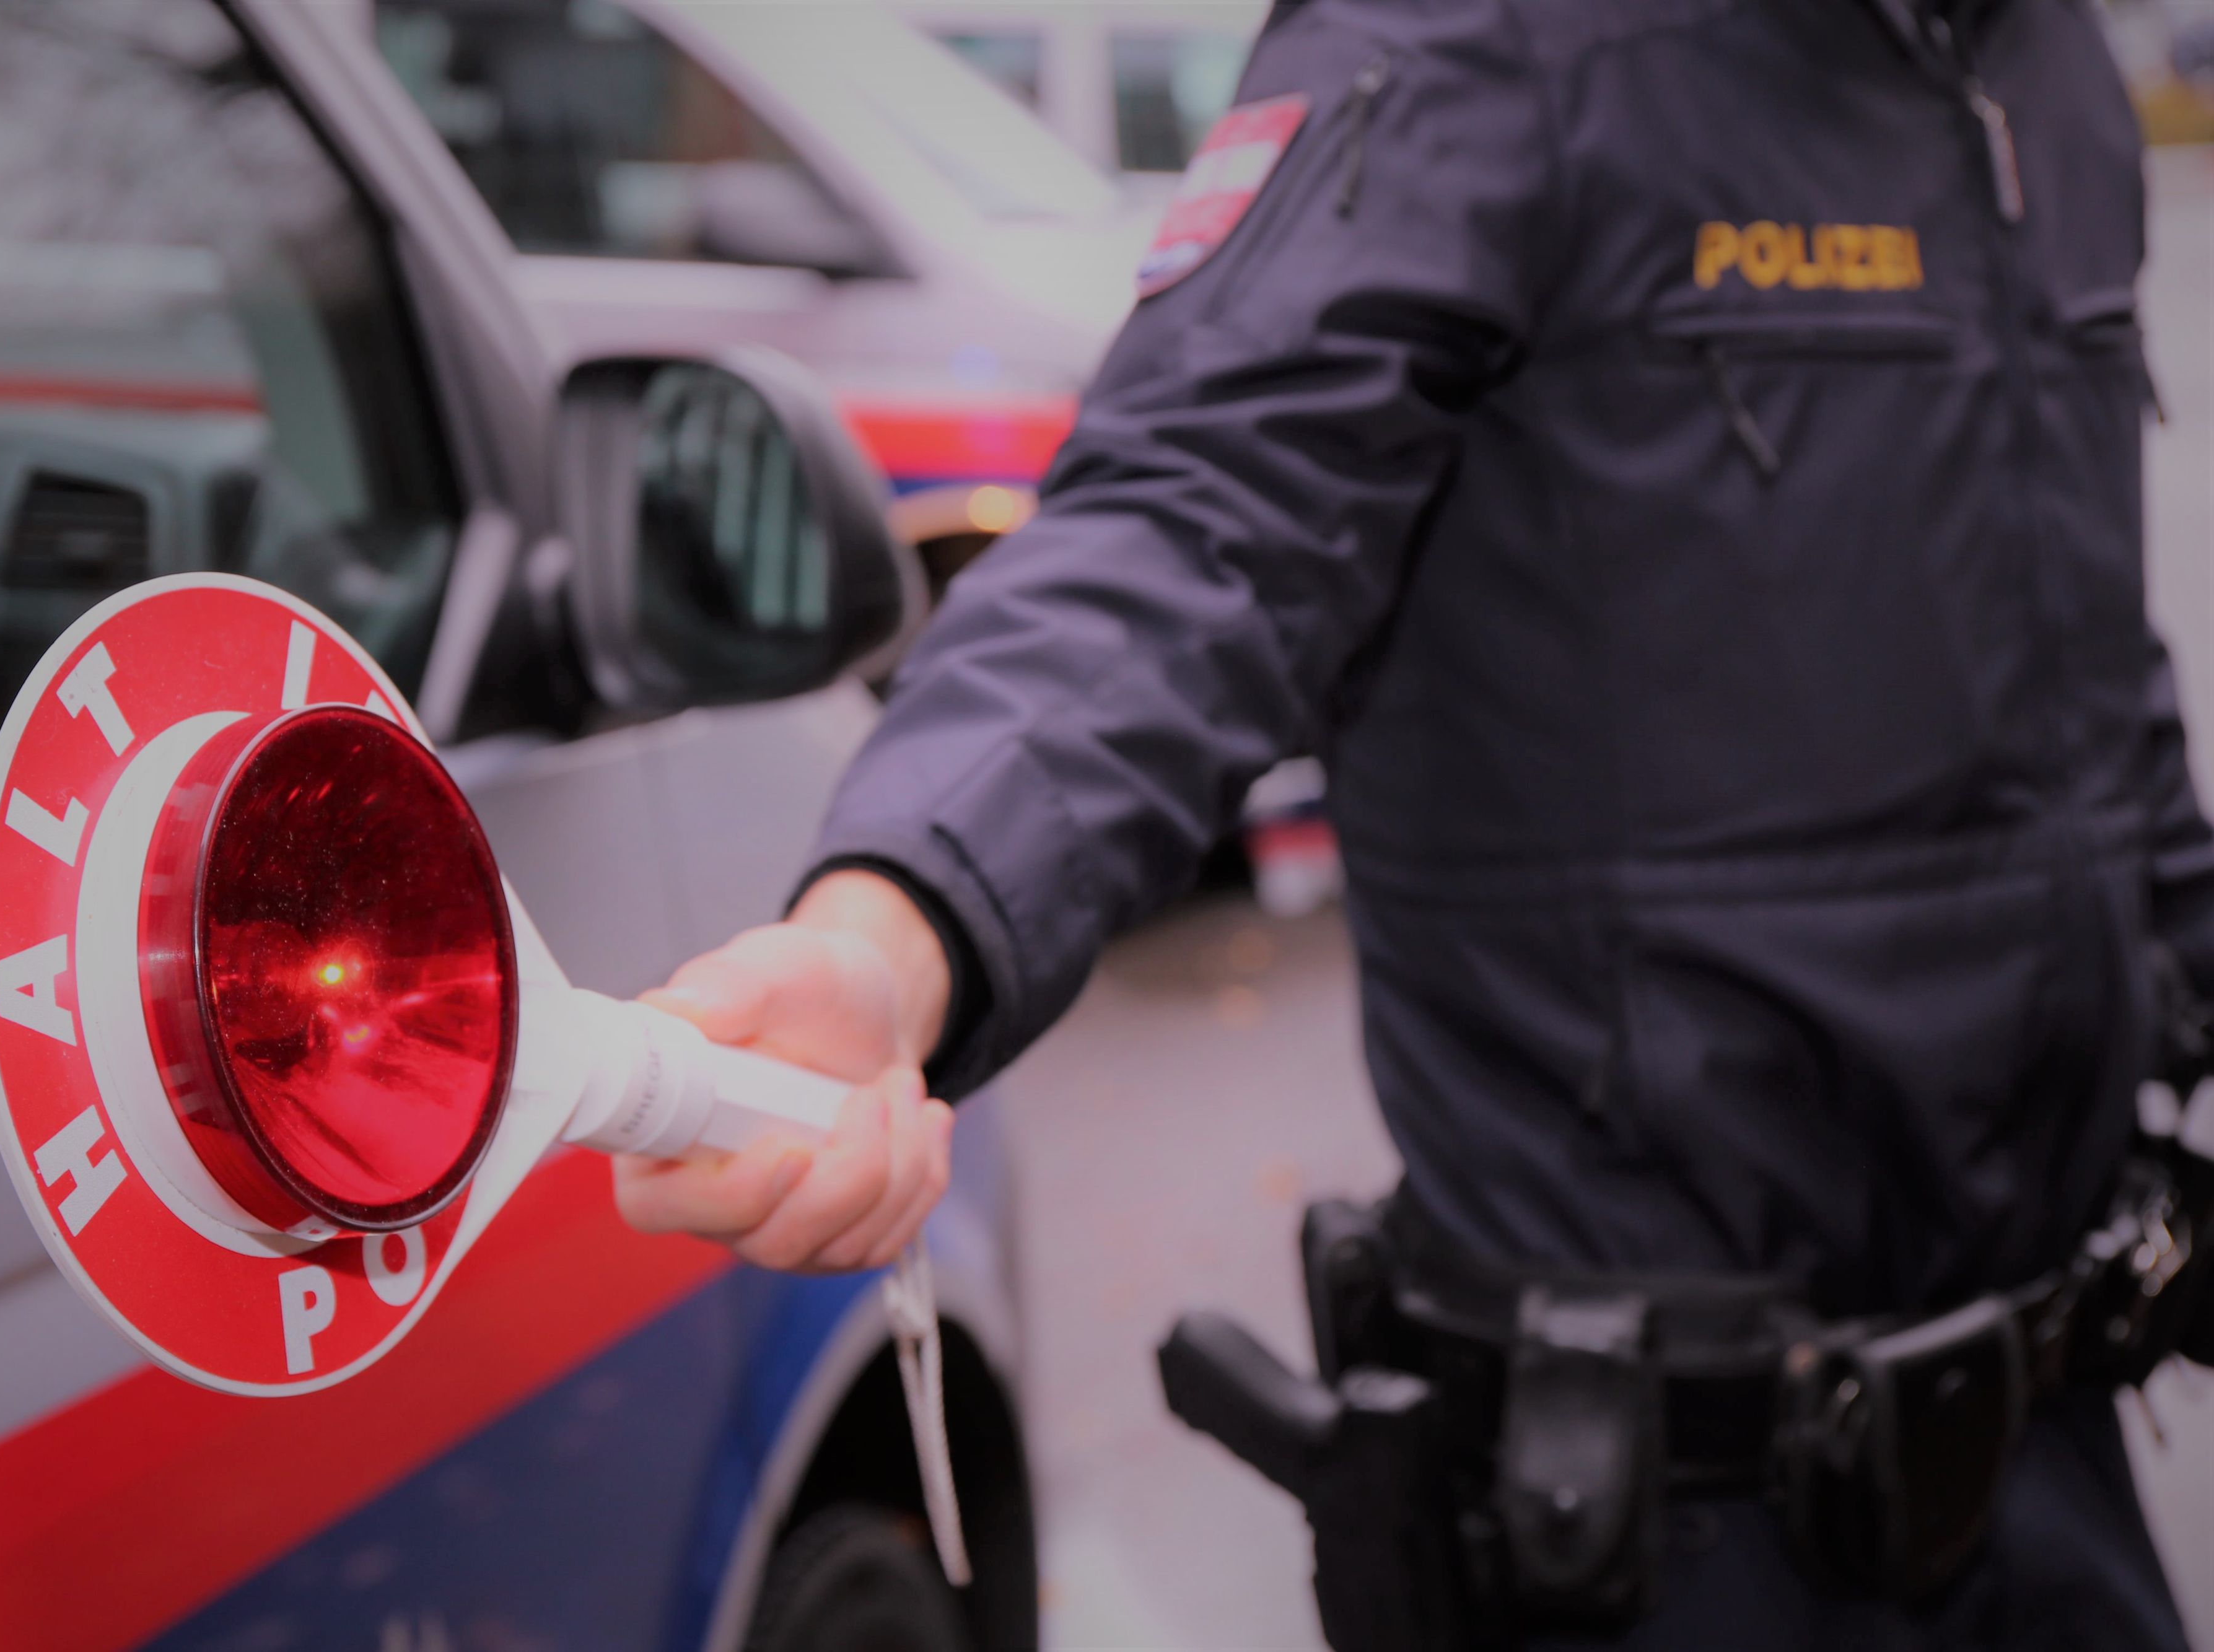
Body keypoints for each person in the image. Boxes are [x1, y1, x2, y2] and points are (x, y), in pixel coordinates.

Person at [614, 0, 2210, 1644]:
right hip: (1667, 1512)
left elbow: (2085, 672)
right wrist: (902, 918)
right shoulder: (1478, 37)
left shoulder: (2045, 59)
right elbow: (1199, 520)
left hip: (2053, 1454)